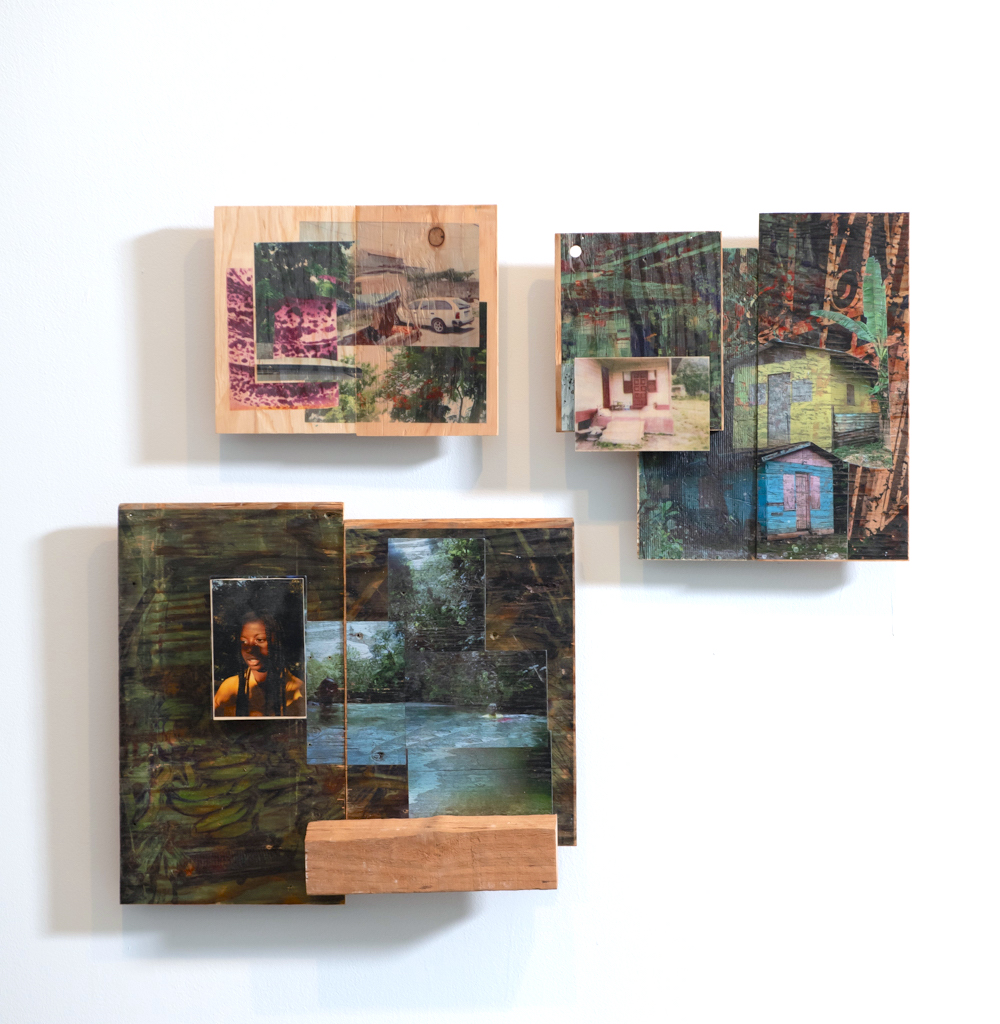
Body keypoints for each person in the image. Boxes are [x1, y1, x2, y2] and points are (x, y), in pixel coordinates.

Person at [214, 610, 305, 717]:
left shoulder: (297, 691)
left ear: (277, 643)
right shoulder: (229, 687)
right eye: (243, 641)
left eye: (260, 640)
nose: (250, 649)